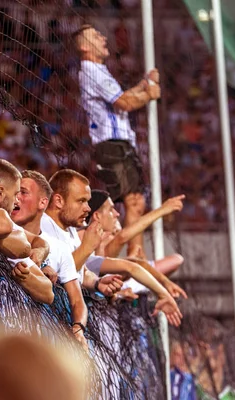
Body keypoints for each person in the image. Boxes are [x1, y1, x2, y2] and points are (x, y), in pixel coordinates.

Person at [41, 169, 182, 326]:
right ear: (59, 201)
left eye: (87, 202)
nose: (87, 208)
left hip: (74, 322)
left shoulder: (70, 230)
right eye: (81, 201)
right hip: (50, 322)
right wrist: (87, 247)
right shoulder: (43, 228)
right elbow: (58, 277)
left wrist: (97, 283)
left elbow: (87, 271)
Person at [74, 24, 160, 260]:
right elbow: (125, 103)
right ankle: (134, 256)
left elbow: (121, 99)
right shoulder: (91, 71)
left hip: (119, 144)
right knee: (133, 201)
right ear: (84, 46)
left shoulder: (99, 71)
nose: (103, 37)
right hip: (111, 145)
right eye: (95, 36)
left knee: (136, 201)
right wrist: (148, 94)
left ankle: (136, 254)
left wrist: (144, 86)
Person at [11, 170, 89, 346]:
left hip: (47, 344)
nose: (17, 198)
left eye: (23, 192)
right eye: (15, 192)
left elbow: (77, 301)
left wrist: (77, 330)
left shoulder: (59, 248)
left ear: (43, 202)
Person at [0, 158, 54, 305]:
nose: (17, 201)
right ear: (1, 192)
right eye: (16, 193)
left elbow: (48, 293)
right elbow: (22, 247)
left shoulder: (9, 226)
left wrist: (39, 253)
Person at [85, 189, 185, 275]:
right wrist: (163, 209)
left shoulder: (111, 230)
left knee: (176, 259)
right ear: (97, 216)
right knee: (176, 259)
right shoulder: (86, 237)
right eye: (111, 209)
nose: (117, 214)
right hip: (117, 283)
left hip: (125, 277)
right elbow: (122, 238)